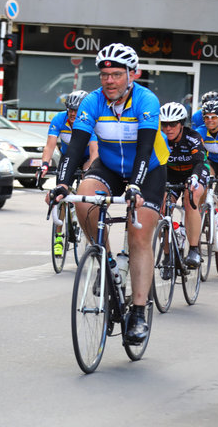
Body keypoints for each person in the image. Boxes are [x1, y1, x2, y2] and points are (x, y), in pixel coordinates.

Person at [48, 43, 168, 345]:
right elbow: (75, 149)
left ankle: (138, 312)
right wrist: (62, 184)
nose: (109, 80)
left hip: (149, 168)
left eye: (116, 74)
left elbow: (144, 150)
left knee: (139, 234)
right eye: (104, 75)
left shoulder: (146, 100)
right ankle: (108, 262)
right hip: (111, 166)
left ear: (132, 74)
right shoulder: (92, 101)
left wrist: (136, 186)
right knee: (84, 197)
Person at [38, 90, 98, 256]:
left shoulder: (89, 121)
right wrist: (44, 164)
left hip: (87, 158)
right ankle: (59, 237)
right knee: (60, 195)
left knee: (88, 195)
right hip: (69, 157)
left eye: (76, 110)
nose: (72, 113)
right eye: (70, 109)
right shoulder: (59, 119)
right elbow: (50, 146)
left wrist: (88, 170)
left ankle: (90, 234)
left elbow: (94, 152)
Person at [160, 102, 209, 268]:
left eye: (173, 124)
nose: (168, 128)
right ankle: (167, 256)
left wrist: (195, 177)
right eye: (164, 124)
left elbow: (200, 161)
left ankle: (194, 249)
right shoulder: (160, 139)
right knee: (162, 207)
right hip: (172, 174)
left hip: (195, 171)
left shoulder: (192, 137)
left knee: (190, 198)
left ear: (181, 124)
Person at [195, 98, 218, 266]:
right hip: (212, 163)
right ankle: (202, 215)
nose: (210, 120)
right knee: (200, 187)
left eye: (214, 117)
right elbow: (199, 156)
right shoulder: (200, 132)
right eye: (207, 117)